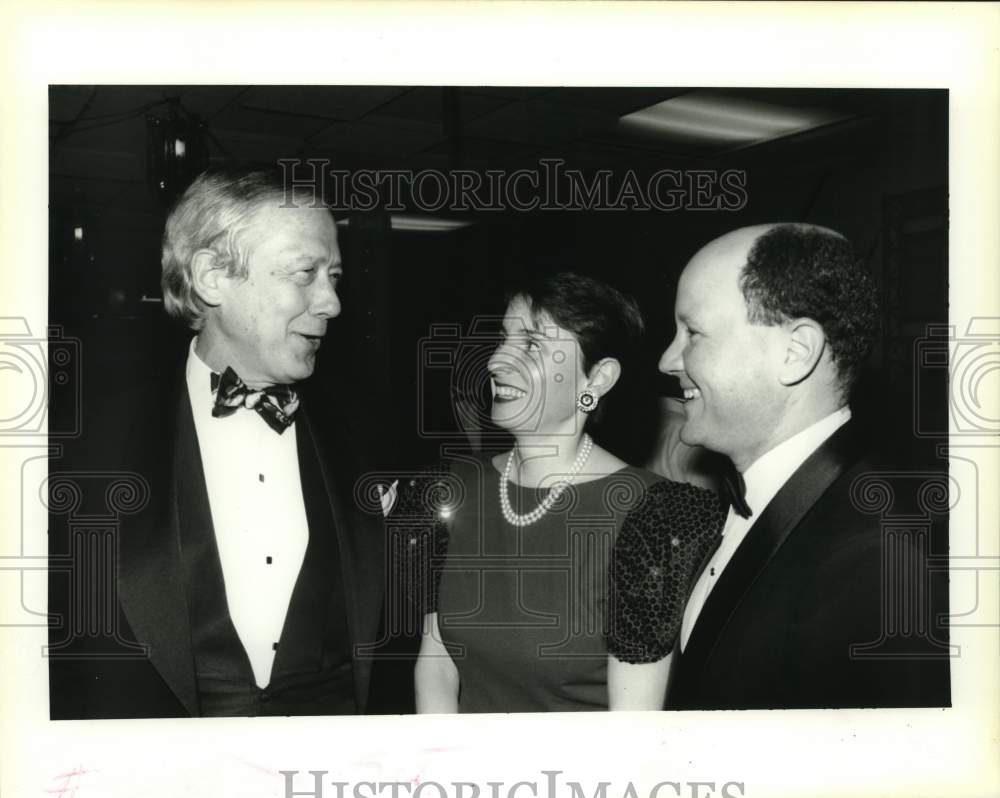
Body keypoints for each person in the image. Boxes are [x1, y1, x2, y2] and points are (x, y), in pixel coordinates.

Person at [48, 168, 388, 718]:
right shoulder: (82, 448)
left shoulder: (367, 433)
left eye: (334, 277)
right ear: (211, 277)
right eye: (305, 273)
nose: (331, 303)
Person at [398, 272, 725, 712]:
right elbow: (436, 665)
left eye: (531, 344)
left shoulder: (655, 516)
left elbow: (633, 727)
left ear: (597, 380)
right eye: (503, 337)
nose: (496, 361)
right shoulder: (450, 489)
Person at [658, 223, 950, 709]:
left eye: (692, 332)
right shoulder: (731, 504)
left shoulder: (878, 559)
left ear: (795, 353)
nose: (668, 359)